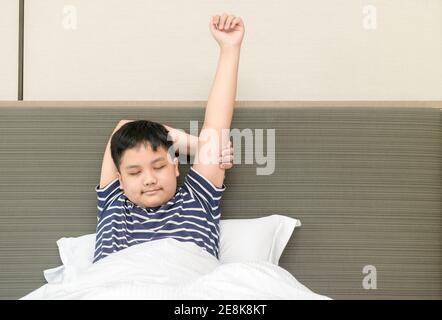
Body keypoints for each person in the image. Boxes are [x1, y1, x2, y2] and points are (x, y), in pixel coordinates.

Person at [93, 13, 245, 263]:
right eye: (134, 173)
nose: (149, 179)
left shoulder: (198, 198)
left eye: (159, 166)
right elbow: (124, 126)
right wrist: (200, 147)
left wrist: (230, 48)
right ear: (119, 180)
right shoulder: (112, 203)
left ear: (175, 166)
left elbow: (216, 124)